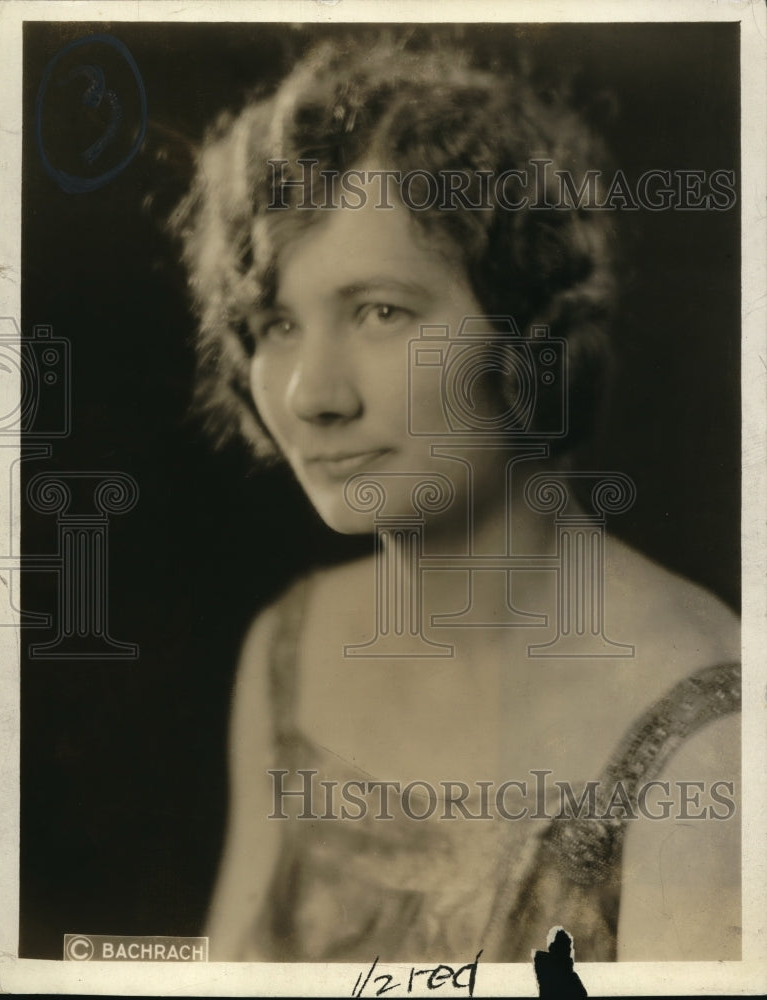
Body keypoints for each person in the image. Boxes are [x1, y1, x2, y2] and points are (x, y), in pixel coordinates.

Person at [170, 36, 740, 963]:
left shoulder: (707, 726)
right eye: (274, 323)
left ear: (528, 327)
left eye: (380, 311)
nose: (315, 394)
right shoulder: (291, 646)